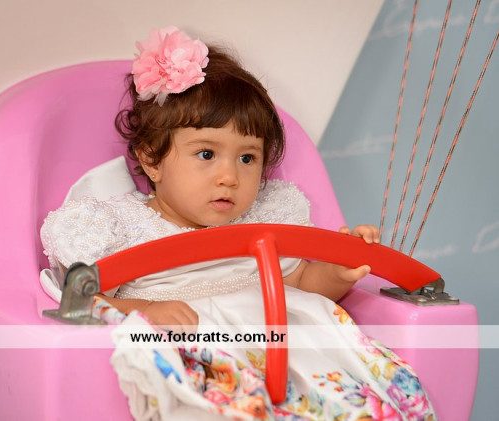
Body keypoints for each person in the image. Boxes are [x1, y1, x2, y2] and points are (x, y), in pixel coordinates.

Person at [41, 26, 436, 421]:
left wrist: (339, 270)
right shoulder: (119, 226)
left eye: (247, 158)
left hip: (285, 355)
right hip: (200, 359)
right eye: (206, 154)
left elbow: (301, 282)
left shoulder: (264, 218)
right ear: (151, 159)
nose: (229, 176)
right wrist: (143, 310)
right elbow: (82, 303)